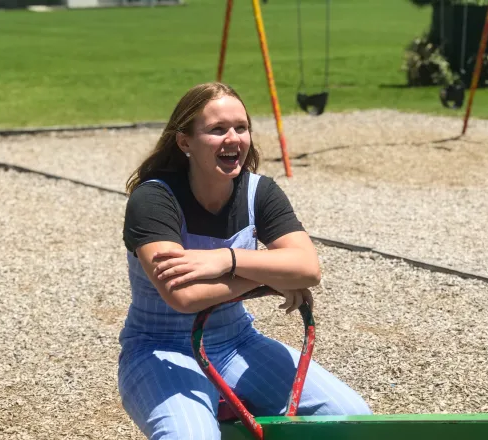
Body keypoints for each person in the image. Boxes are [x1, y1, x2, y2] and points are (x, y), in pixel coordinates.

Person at [118, 82, 371, 439]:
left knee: (351, 418)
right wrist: (270, 276)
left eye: (241, 127)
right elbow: (183, 297)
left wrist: (227, 259)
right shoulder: (153, 200)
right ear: (185, 142)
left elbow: (308, 268)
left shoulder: (259, 192)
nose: (233, 138)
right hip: (160, 350)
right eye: (217, 130)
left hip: (236, 342)